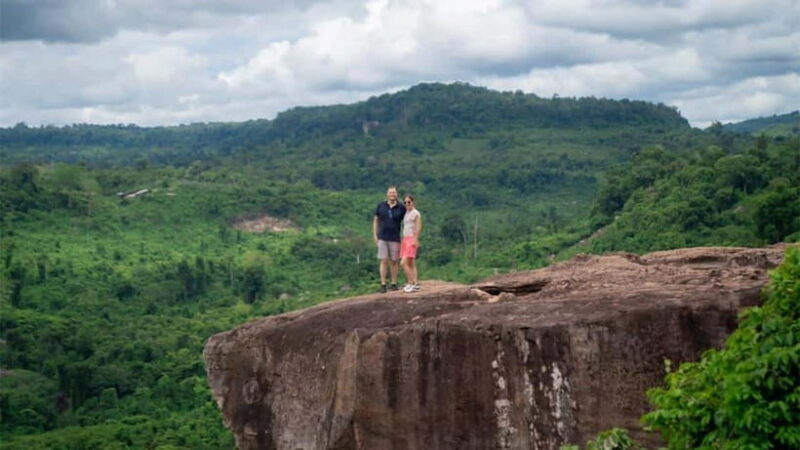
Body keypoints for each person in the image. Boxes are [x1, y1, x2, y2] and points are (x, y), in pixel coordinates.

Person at [373, 186, 405, 293]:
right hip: (382, 237)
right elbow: (376, 220)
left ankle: (394, 283)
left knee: (394, 261)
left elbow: (406, 221)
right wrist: (375, 235)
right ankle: (383, 284)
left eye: (394, 192)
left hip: (395, 237)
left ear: (396, 194)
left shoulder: (401, 207)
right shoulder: (381, 206)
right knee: (383, 260)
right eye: (390, 192)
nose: (392, 194)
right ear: (387, 194)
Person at [400, 195, 422, 292]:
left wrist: (416, 240)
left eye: (409, 202)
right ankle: (416, 282)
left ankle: (411, 283)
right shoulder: (407, 213)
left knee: (403, 263)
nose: (407, 204)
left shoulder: (415, 213)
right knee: (411, 262)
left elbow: (418, 227)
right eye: (405, 202)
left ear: (413, 202)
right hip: (405, 239)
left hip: (411, 239)